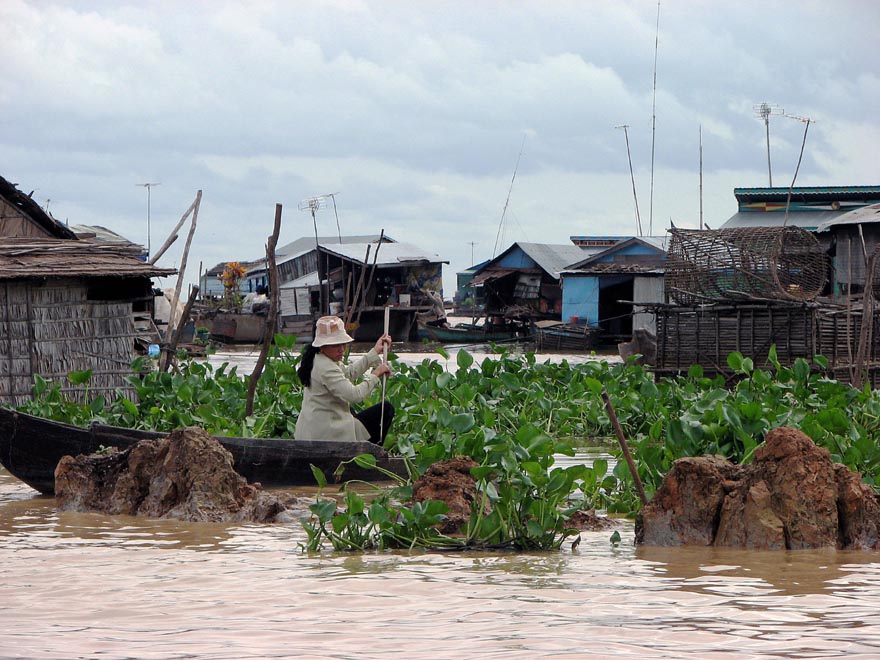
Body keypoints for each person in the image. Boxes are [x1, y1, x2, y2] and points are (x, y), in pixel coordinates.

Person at [295, 315, 394, 445]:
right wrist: (376, 374)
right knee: (386, 409)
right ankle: (367, 455)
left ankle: (364, 451)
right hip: (324, 435)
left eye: (343, 344)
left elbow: (347, 373)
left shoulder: (319, 357)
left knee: (350, 412)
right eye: (336, 346)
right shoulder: (326, 367)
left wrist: (374, 351)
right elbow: (355, 395)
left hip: (315, 428)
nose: (341, 349)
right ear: (322, 346)